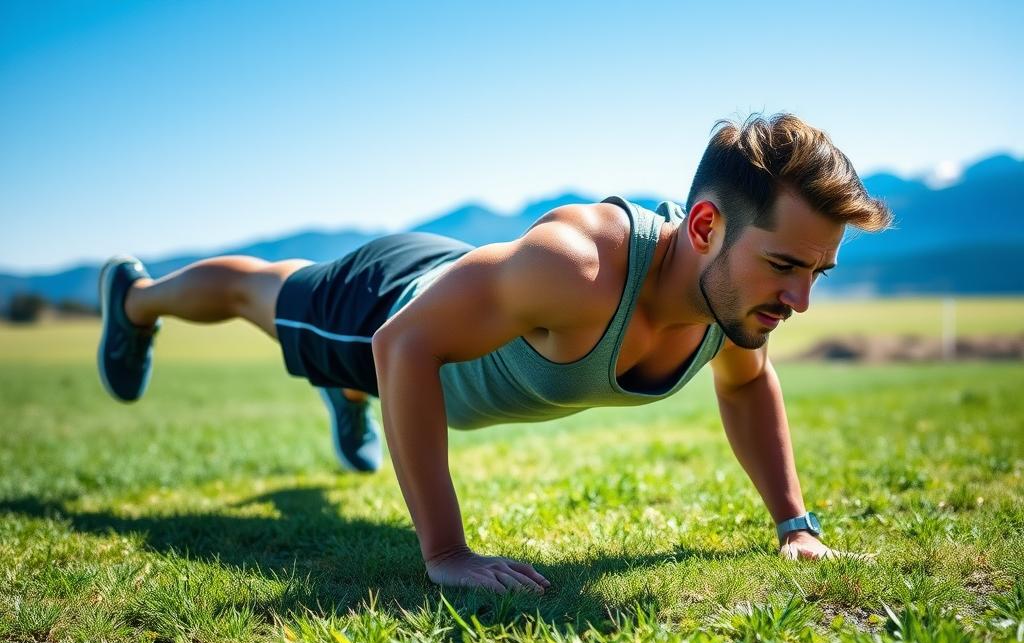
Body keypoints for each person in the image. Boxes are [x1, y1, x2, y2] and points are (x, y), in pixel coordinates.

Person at [97, 113, 893, 594]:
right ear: (706, 227)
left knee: (364, 356)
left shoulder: (734, 302)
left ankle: (353, 397)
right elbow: (402, 342)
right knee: (264, 293)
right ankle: (135, 299)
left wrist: (795, 524)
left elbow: (748, 386)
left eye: (817, 272)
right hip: (390, 303)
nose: (800, 301)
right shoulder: (577, 267)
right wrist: (446, 552)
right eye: (785, 266)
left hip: (458, 307)